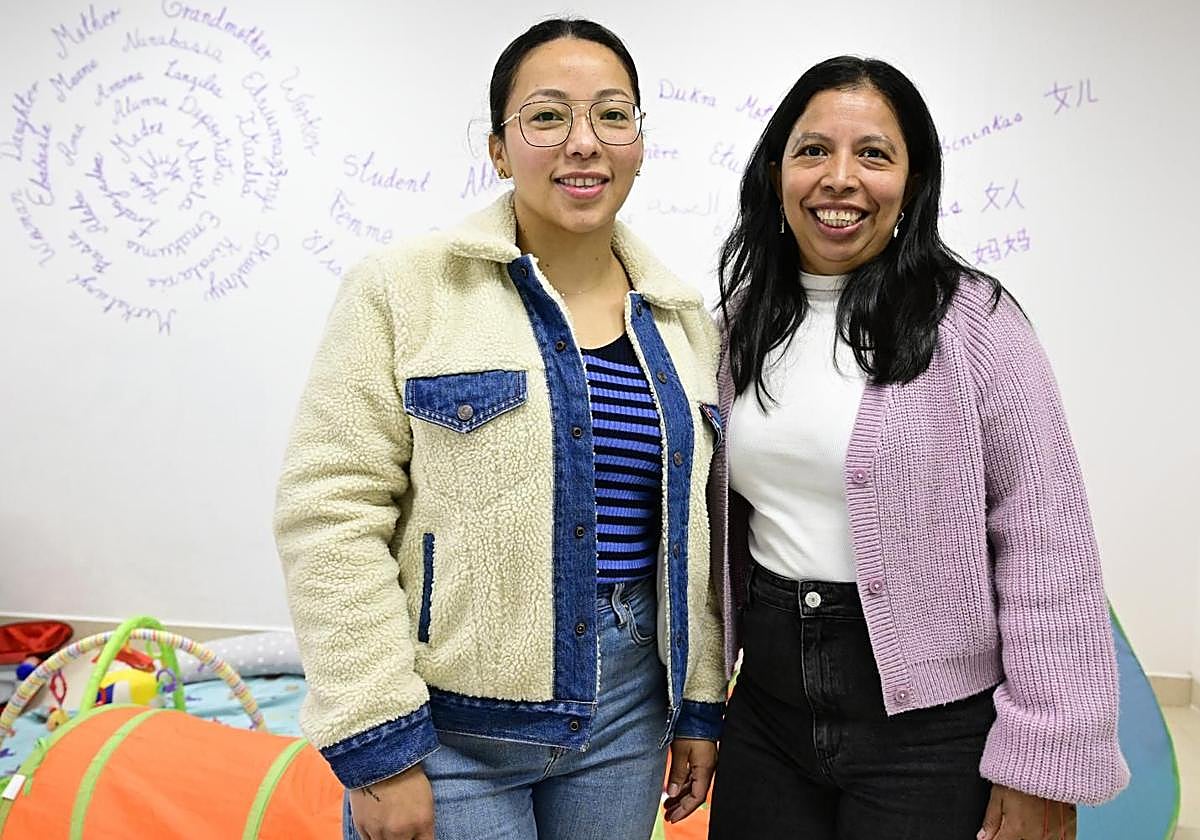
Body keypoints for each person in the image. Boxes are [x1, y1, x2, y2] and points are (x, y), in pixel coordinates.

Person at [274, 18, 727, 840]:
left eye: (612, 116)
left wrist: (698, 703)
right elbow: (328, 513)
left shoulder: (685, 323)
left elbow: (699, 537)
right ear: (498, 148)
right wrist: (379, 743)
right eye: (548, 117)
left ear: (639, 141)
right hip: (448, 728)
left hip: (627, 716)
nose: (583, 143)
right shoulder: (404, 289)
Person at [705, 56, 1129, 840]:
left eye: (873, 153)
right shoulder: (739, 325)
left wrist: (1042, 757)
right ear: (775, 173)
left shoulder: (976, 324)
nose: (840, 178)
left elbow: (1047, 543)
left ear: (912, 181)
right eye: (812, 151)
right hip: (766, 711)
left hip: (930, 733)